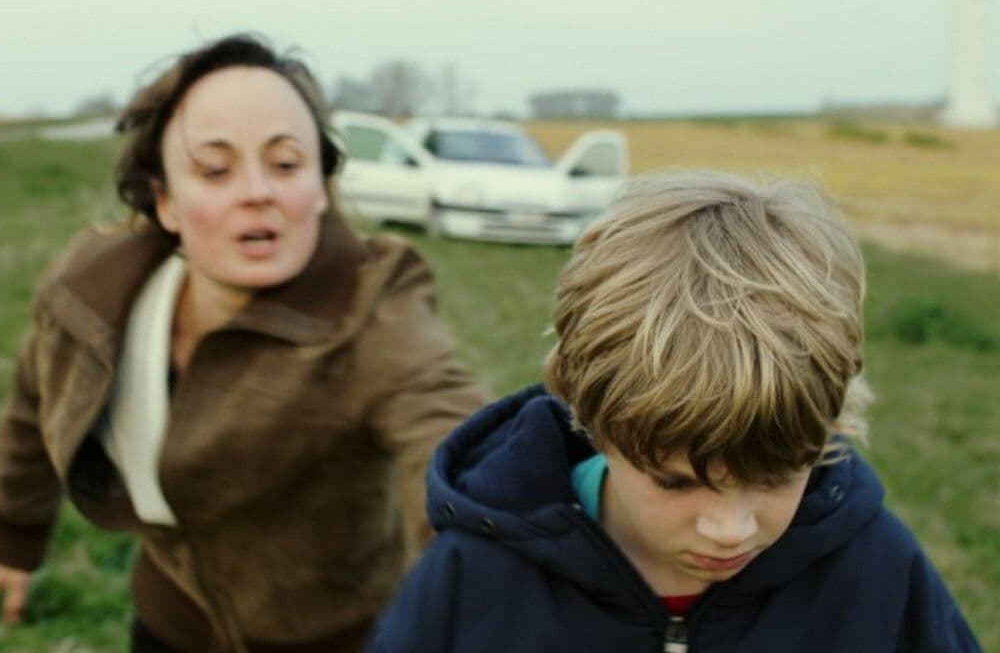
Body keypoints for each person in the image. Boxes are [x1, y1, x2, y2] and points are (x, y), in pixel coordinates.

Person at [0, 33, 488, 652]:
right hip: (166, 626)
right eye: (215, 169)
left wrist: (488, 578)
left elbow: (449, 438)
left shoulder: (376, 305)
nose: (257, 191)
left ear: (319, 187)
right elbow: (36, 399)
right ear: (166, 202)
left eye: (286, 164)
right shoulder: (92, 292)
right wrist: (7, 542)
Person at [369, 171, 982, 652]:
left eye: (776, 476)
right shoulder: (479, 574)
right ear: (589, 414)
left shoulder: (875, 571)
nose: (730, 529)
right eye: (675, 481)